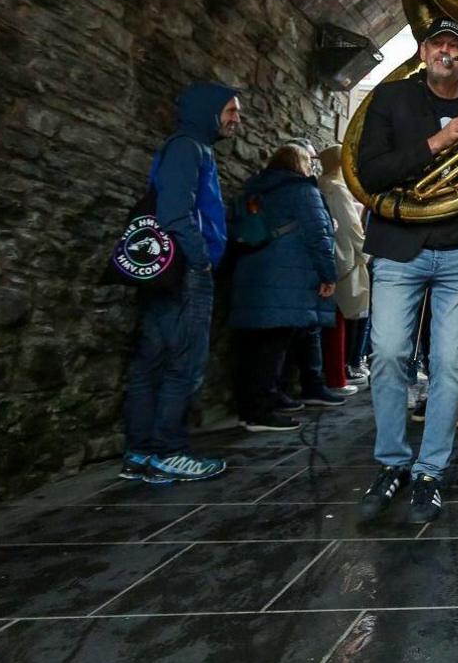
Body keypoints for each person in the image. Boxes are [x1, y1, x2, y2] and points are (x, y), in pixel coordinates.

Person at [353, 17, 458, 525]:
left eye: (457, 45)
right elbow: (371, 173)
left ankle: (430, 471)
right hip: (400, 245)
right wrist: (436, 145)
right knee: (391, 354)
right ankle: (393, 462)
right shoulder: (391, 99)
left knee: (448, 365)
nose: (448, 52)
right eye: (439, 43)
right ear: (424, 51)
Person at [119, 82, 241, 484]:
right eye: (230, 110)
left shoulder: (185, 147)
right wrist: (202, 258)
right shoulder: (190, 148)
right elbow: (175, 212)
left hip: (169, 272)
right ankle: (168, 452)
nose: (236, 119)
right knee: (182, 365)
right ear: (208, 111)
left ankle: (141, 452)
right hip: (186, 272)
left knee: (151, 361)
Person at [228, 143, 342, 430]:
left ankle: (252, 406)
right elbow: (319, 235)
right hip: (286, 279)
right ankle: (261, 411)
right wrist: (328, 275)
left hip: (250, 275)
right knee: (274, 345)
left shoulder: (252, 189)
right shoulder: (304, 191)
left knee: (253, 347)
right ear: (300, 164)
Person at [316, 145, 371, 391]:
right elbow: (351, 227)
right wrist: (367, 253)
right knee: (343, 317)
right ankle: (340, 373)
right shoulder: (337, 188)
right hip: (344, 257)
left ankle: (338, 371)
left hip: (329, 255)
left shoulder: (320, 184)